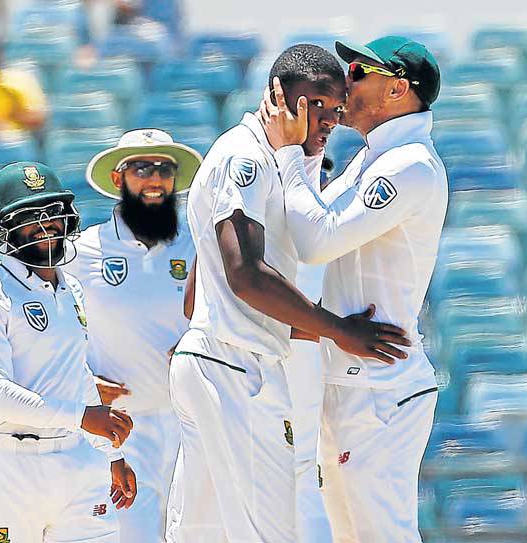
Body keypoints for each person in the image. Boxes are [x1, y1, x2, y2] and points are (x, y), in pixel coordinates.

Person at [165, 44, 411, 543]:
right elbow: (246, 275)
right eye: (316, 103)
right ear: (279, 96)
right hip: (239, 367)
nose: (330, 118)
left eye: (338, 107)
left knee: (200, 534)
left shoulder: (275, 161)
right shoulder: (248, 155)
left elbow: (196, 296)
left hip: (214, 359)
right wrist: (340, 330)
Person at [263, 36, 446, 543]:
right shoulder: (375, 158)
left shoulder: (408, 164)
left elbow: (316, 240)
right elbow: (307, 229)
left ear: (397, 89)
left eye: (359, 72)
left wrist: (288, 153)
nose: (346, 82)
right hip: (355, 382)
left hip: (379, 390)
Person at [0, 161, 137, 542]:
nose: (46, 224)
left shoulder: (71, 288)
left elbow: (75, 373)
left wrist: (111, 455)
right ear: (2, 228)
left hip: (76, 461)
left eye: (53, 212)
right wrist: (81, 417)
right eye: (29, 216)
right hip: (7, 466)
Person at [63, 129, 200, 543]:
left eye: (164, 169)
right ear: (118, 179)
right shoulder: (82, 250)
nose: (154, 179)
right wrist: (81, 385)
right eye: (142, 168)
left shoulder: (198, 244)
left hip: (191, 423)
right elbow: (54, 328)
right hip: (122, 431)